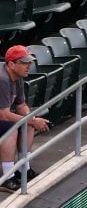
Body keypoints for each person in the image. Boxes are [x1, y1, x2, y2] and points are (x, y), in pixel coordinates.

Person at [0, 45, 48, 191]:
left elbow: (21, 105)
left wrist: (31, 118)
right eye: (24, 63)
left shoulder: (18, 76)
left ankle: (23, 169)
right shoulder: (2, 79)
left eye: (29, 63)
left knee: (28, 124)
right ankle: (6, 178)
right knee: (12, 129)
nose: (28, 66)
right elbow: (4, 114)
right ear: (11, 64)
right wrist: (33, 120)